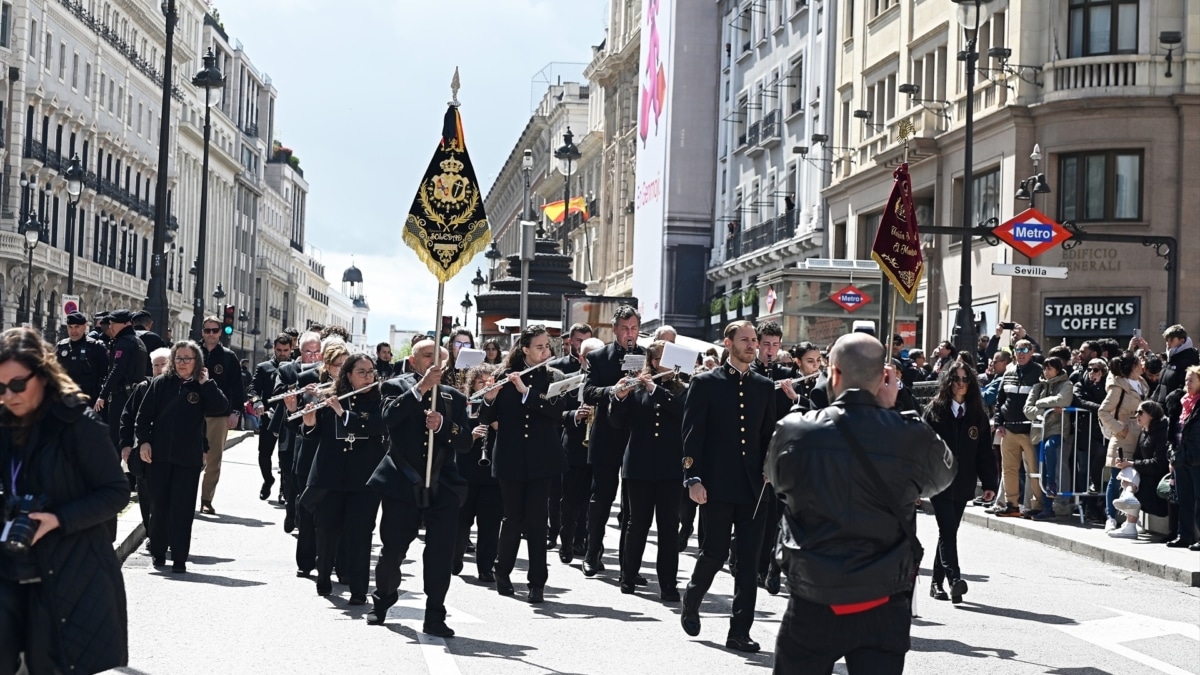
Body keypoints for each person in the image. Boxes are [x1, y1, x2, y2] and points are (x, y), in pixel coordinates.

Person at [766, 333, 955, 674]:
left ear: (833, 374)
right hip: (883, 595)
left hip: (815, 592)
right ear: (884, 378)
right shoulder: (910, 432)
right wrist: (900, 408)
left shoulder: (797, 430)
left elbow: (778, 481)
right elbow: (942, 477)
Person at [0, 328, 130, 675]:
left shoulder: (77, 423)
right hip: (12, 571)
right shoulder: (4, 425)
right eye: (0, 388)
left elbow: (116, 491)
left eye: (16, 385)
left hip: (73, 572)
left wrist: (58, 519)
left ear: (42, 376)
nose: (8, 396)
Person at [679, 320, 776, 653]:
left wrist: (770, 468)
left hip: (755, 489)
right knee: (714, 552)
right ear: (728, 342)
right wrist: (693, 478)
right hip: (716, 486)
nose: (752, 345)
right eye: (745, 340)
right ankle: (692, 597)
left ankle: (739, 631)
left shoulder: (764, 386)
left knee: (748, 563)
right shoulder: (705, 383)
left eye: (755, 340)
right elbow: (692, 436)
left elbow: (767, 437)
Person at [366, 340, 469, 637]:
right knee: (393, 550)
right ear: (413, 362)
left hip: (443, 484)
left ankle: (435, 613)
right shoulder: (395, 387)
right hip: (401, 482)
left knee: (440, 554)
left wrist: (443, 426)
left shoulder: (454, 398)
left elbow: (464, 442)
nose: (434, 362)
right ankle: (383, 599)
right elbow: (389, 418)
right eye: (427, 356)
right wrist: (421, 388)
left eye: (440, 358)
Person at [478, 325, 566, 604]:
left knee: (538, 521)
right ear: (524, 349)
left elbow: (555, 412)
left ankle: (537, 582)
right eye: (539, 347)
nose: (545, 351)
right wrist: (489, 397)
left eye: (546, 347)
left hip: (543, 459)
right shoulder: (503, 376)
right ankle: (502, 572)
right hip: (510, 458)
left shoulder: (554, 376)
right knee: (512, 518)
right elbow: (485, 415)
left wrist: (525, 390)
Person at [135, 341, 228, 572]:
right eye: (179, 358)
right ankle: (158, 551)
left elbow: (221, 407)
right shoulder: (159, 384)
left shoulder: (202, 386)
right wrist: (144, 442)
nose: (183, 363)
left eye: (188, 359)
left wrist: (207, 385)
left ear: (197, 362)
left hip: (188, 459)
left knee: (183, 509)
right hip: (159, 457)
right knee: (159, 506)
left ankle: (179, 557)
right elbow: (143, 417)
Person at [300, 353, 385, 604]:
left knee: (360, 535)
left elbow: (377, 426)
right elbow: (313, 435)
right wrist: (309, 422)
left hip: (363, 479)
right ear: (348, 375)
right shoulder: (329, 398)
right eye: (362, 372)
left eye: (371, 372)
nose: (368, 376)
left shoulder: (378, 401)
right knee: (327, 530)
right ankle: (323, 576)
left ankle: (359, 590)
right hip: (331, 477)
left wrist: (343, 413)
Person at [609, 340, 687, 600]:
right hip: (639, 466)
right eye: (662, 358)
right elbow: (617, 422)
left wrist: (655, 390)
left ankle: (668, 583)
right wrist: (618, 398)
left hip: (670, 468)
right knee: (636, 524)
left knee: (668, 526)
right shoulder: (637, 389)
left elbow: (683, 415)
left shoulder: (682, 390)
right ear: (653, 362)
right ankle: (628, 576)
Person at [923, 361, 997, 604]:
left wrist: (989, 484)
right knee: (947, 529)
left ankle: (936, 583)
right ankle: (955, 580)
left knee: (949, 531)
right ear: (948, 382)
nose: (961, 384)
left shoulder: (977, 413)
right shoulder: (935, 410)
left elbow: (985, 451)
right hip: (939, 482)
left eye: (966, 379)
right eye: (956, 379)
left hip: (964, 482)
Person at [582, 305, 643, 577]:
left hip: (637, 438)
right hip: (606, 436)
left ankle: (628, 565)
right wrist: (614, 390)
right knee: (601, 499)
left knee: (633, 507)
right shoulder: (598, 356)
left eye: (634, 329)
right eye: (625, 329)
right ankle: (592, 553)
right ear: (615, 329)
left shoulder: (646, 356)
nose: (630, 335)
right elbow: (588, 391)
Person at [288, 340, 347, 576]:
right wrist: (295, 409)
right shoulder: (309, 381)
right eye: (338, 365)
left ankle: (332, 560)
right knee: (308, 508)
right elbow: (296, 425)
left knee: (335, 513)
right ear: (327, 365)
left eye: (346, 365)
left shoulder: (350, 388)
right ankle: (306, 560)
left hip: (338, 459)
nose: (342, 370)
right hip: (310, 455)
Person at [555, 336, 603, 562]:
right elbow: (554, 414)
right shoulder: (569, 381)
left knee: (593, 503)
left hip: (600, 449)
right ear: (583, 357)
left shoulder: (608, 380)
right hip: (574, 448)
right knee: (570, 501)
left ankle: (584, 544)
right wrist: (575, 415)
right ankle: (566, 542)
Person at [453, 364, 502, 581]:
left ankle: (485, 567)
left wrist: (493, 420)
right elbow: (454, 434)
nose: (485, 385)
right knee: (461, 521)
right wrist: (470, 435)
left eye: (489, 381)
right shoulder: (463, 405)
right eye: (480, 382)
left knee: (490, 524)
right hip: (466, 470)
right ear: (472, 384)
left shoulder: (500, 405)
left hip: (492, 473)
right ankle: (454, 559)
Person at [197, 315, 245, 514]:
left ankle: (206, 499)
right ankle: (185, 497)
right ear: (202, 332)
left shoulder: (228, 356)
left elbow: (237, 387)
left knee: (214, 460)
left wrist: (235, 412)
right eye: (207, 330)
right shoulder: (192, 352)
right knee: (190, 458)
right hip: (192, 413)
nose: (210, 334)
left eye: (214, 330)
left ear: (220, 332)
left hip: (218, 415)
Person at [119, 348, 172, 531]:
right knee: (146, 494)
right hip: (144, 450)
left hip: (171, 451)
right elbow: (127, 417)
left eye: (163, 364)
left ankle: (166, 533)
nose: (159, 368)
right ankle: (151, 533)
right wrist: (125, 445)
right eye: (155, 365)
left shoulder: (181, 387)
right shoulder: (142, 387)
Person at [992, 339, 1043, 517]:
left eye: (1025, 349)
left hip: (1030, 429)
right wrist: (998, 423)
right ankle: (1011, 505)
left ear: (1032, 351)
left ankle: (1036, 507)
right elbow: (1000, 400)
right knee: (1009, 469)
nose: (1021, 353)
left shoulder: (1039, 371)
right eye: (1018, 349)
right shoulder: (1008, 371)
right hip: (1008, 429)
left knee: (1034, 470)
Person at [1098, 352, 1148, 532]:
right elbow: (1103, 411)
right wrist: (1119, 427)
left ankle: (1132, 518)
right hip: (1124, 437)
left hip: (1142, 436)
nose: (1143, 364)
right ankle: (1110, 516)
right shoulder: (1119, 385)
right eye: (1139, 362)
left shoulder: (1142, 384)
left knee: (1135, 477)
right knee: (1116, 477)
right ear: (1134, 366)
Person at [1107, 400, 1170, 540]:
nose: (1137, 415)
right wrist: (1127, 463)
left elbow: (1159, 464)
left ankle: (1130, 517)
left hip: (1157, 481)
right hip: (1146, 476)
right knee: (1127, 469)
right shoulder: (1143, 433)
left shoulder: (1162, 433)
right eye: (1136, 412)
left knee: (1131, 468)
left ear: (1152, 415)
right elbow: (1137, 457)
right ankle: (1129, 510)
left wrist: (1132, 463)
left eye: (1140, 412)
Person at [1023, 356, 1074, 519]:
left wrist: (1040, 404)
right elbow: (1027, 409)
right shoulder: (1037, 386)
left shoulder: (1066, 384)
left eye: (1050, 368)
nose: (1046, 372)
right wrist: (1045, 410)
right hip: (1039, 430)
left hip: (1057, 428)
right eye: (1044, 368)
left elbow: (1063, 399)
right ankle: (1047, 507)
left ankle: (1052, 483)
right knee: (1041, 467)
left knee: (1050, 448)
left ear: (1058, 369)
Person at [95, 310, 148, 450]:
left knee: (117, 438)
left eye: (114, 324)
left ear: (126, 324)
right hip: (135, 395)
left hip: (122, 396)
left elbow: (117, 369)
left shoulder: (124, 342)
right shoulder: (137, 341)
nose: (110, 327)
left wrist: (103, 395)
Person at [251, 334, 295, 500]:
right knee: (264, 453)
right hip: (269, 417)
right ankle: (268, 480)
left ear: (291, 349)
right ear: (274, 349)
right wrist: (257, 402)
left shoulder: (296, 367)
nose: (282, 353)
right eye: (279, 350)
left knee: (285, 456)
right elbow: (253, 389)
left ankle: (284, 489)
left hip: (288, 418)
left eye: (285, 350)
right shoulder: (264, 367)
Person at [1165, 366, 1200, 550]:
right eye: (1186, 380)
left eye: (1192, 380)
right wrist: (1172, 454)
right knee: (1184, 500)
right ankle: (1184, 536)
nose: (1187, 383)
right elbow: (1173, 431)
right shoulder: (1181, 403)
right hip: (1181, 457)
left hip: (1196, 458)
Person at [1073, 358, 1111, 522]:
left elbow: (1110, 400)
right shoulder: (1081, 383)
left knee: (1098, 473)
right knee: (1085, 472)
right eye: (1090, 369)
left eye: (1096, 370)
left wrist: (1098, 387)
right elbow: (1079, 401)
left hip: (1102, 433)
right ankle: (1089, 507)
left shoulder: (1106, 386)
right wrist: (1101, 409)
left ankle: (1095, 508)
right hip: (1085, 434)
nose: (1092, 373)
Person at [54, 311, 109, 402]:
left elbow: (106, 373)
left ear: (84, 326)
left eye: (77, 327)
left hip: (89, 400)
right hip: (66, 399)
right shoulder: (61, 347)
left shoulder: (96, 347)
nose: (73, 331)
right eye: (70, 327)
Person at [1154, 325, 1199, 405]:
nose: (1168, 344)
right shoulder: (1170, 359)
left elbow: (1185, 387)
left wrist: (1172, 399)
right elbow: (1161, 386)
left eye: (1171, 340)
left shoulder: (1189, 360)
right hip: (1162, 409)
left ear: (1182, 341)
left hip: (1176, 409)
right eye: (1167, 340)